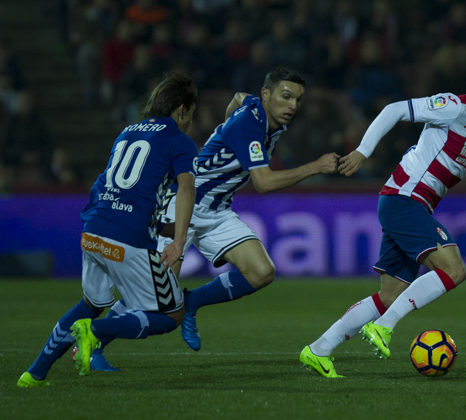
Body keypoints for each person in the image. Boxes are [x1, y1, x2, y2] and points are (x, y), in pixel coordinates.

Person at [299, 53, 466, 378]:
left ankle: (319, 349)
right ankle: (384, 327)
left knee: (389, 295)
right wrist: (363, 150)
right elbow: (394, 110)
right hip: (404, 199)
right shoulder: (453, 107)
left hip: (409, 205)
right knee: (455, 269)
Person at [88, 65, 338, 367]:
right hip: (181, 207)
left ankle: (192, 302)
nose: (292, 106)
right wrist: (316, 167)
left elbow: (236, 97)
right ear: (266, 95)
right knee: (155, 288)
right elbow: (264, 182)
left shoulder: (255, 109)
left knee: (262, 272)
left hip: (218, 210)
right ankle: (95, 343)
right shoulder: (250, 125)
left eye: (297, 100)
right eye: (286, 97)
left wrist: (224, 131)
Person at [17, 73, 199, 387]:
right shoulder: (179, 141)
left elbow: (103, 183)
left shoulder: (126, 133)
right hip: (127, 239)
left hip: (93, 231)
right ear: (182, 110)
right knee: (172, 315)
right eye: (191, 114)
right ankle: (95, 333)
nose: (190, 121)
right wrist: (179, 241)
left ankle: (34, 373)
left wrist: (101, 221)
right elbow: (186, 188)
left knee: (92, 303)